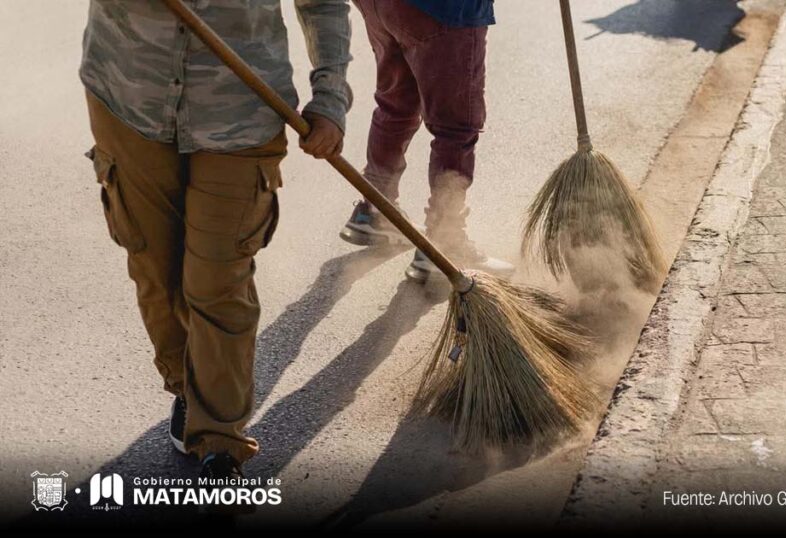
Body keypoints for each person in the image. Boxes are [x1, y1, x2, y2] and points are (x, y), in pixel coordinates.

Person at [80, 0, 353, 481]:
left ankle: (220, 438)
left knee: (216, 280)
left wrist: (330, 96)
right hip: (127, 98)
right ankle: (189, 387)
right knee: (155, 269)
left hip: (241, 114)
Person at [340, 0, 513, 280]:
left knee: (397, 100)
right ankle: (445, 240)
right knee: (456, 124)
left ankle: (377, 209)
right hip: (441, 10)